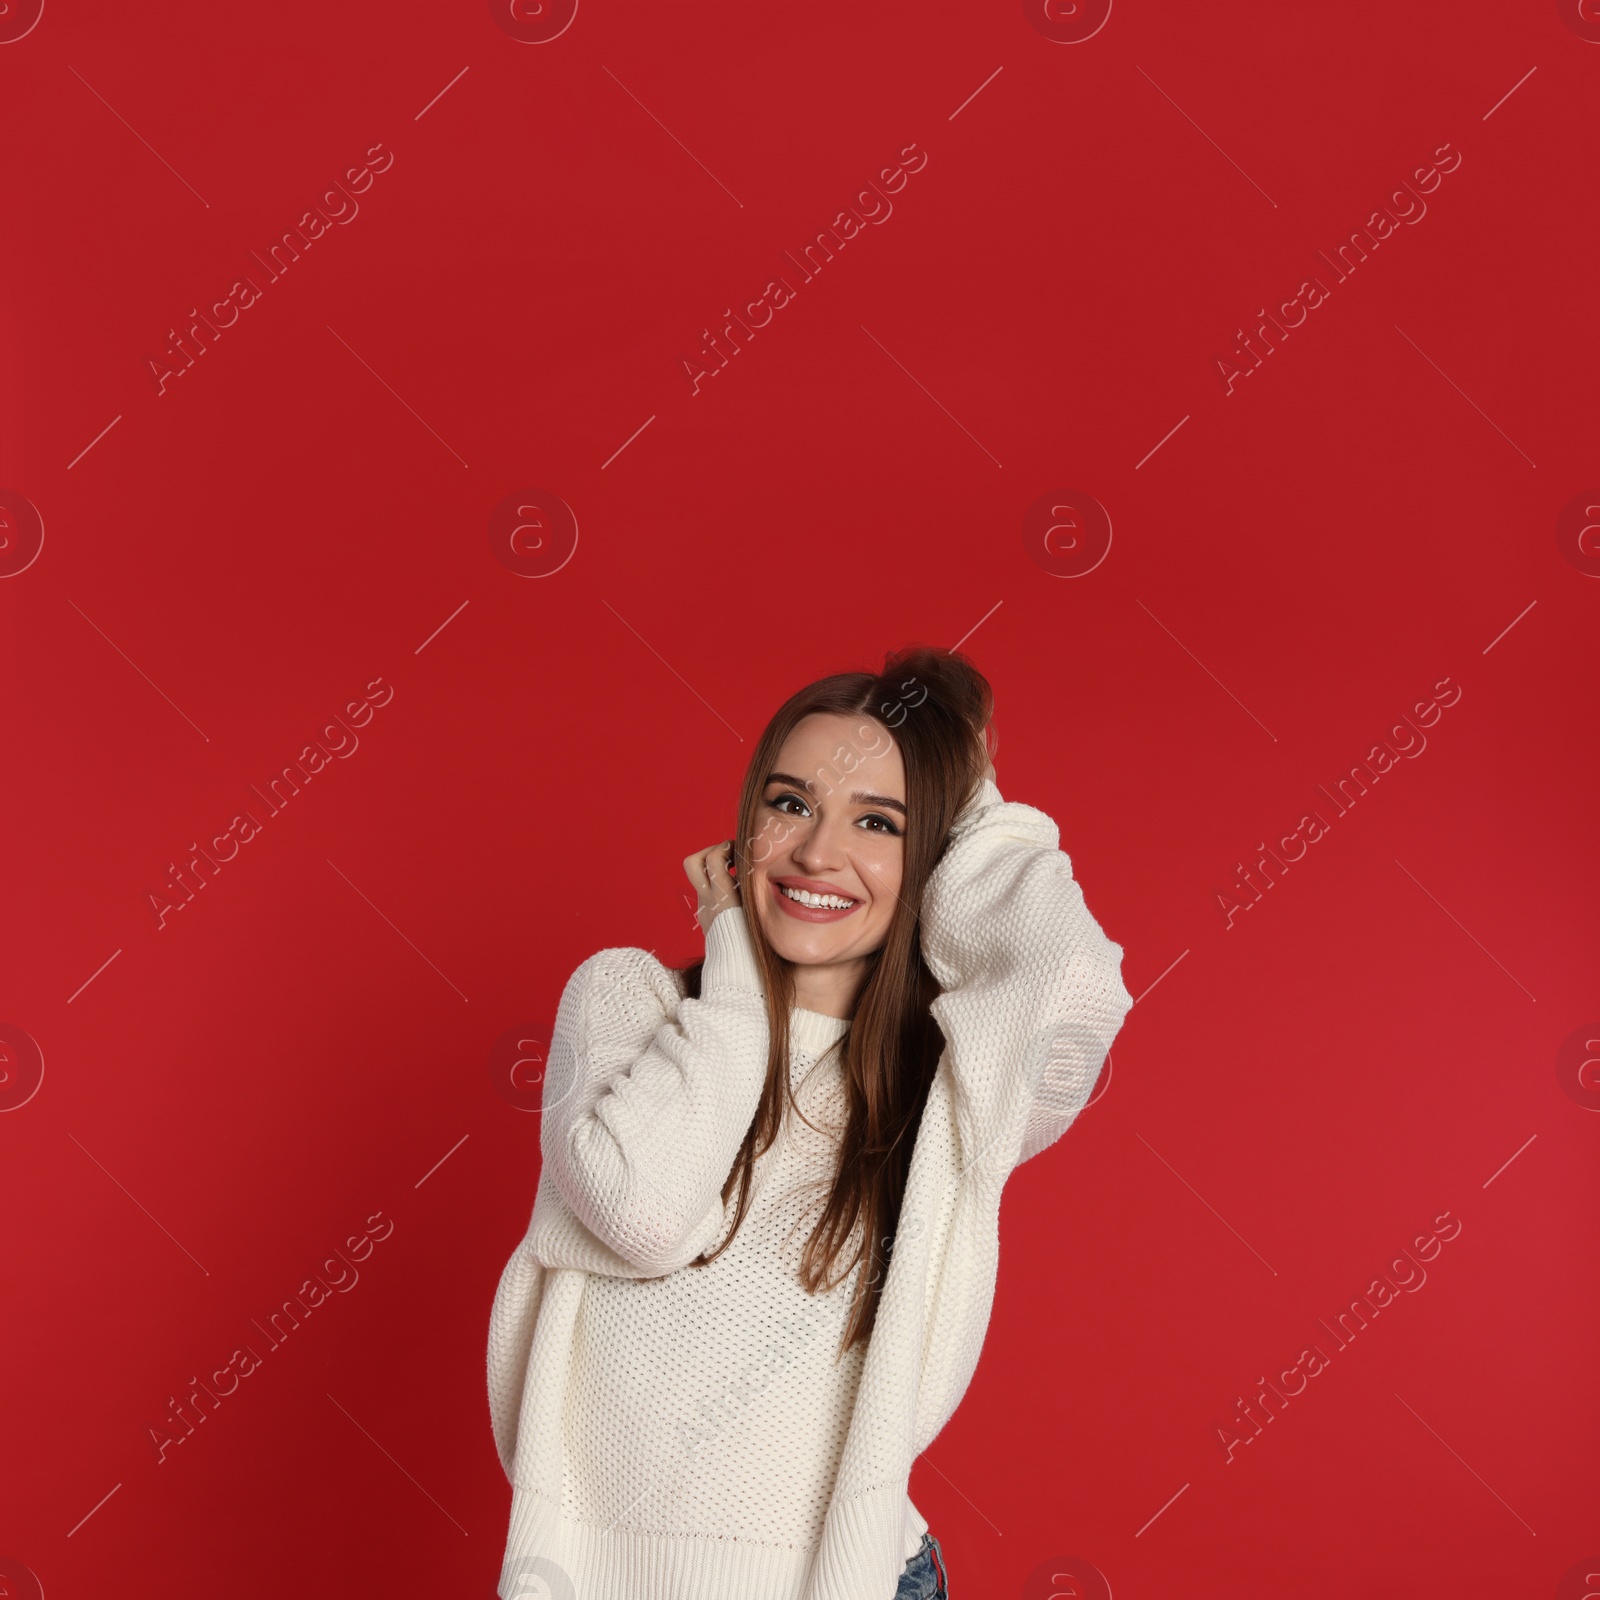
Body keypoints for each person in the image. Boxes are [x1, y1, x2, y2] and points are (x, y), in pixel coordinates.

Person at [486, 644, 1134, 1600]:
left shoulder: (953, 1086)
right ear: (748, 821)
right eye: (791, 804)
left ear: (939, 856)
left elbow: (1073, 979)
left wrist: (978, 804)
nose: (818, 853)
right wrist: (738, 978)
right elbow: (644, 1213)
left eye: (879, 821)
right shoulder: (630, 1003)